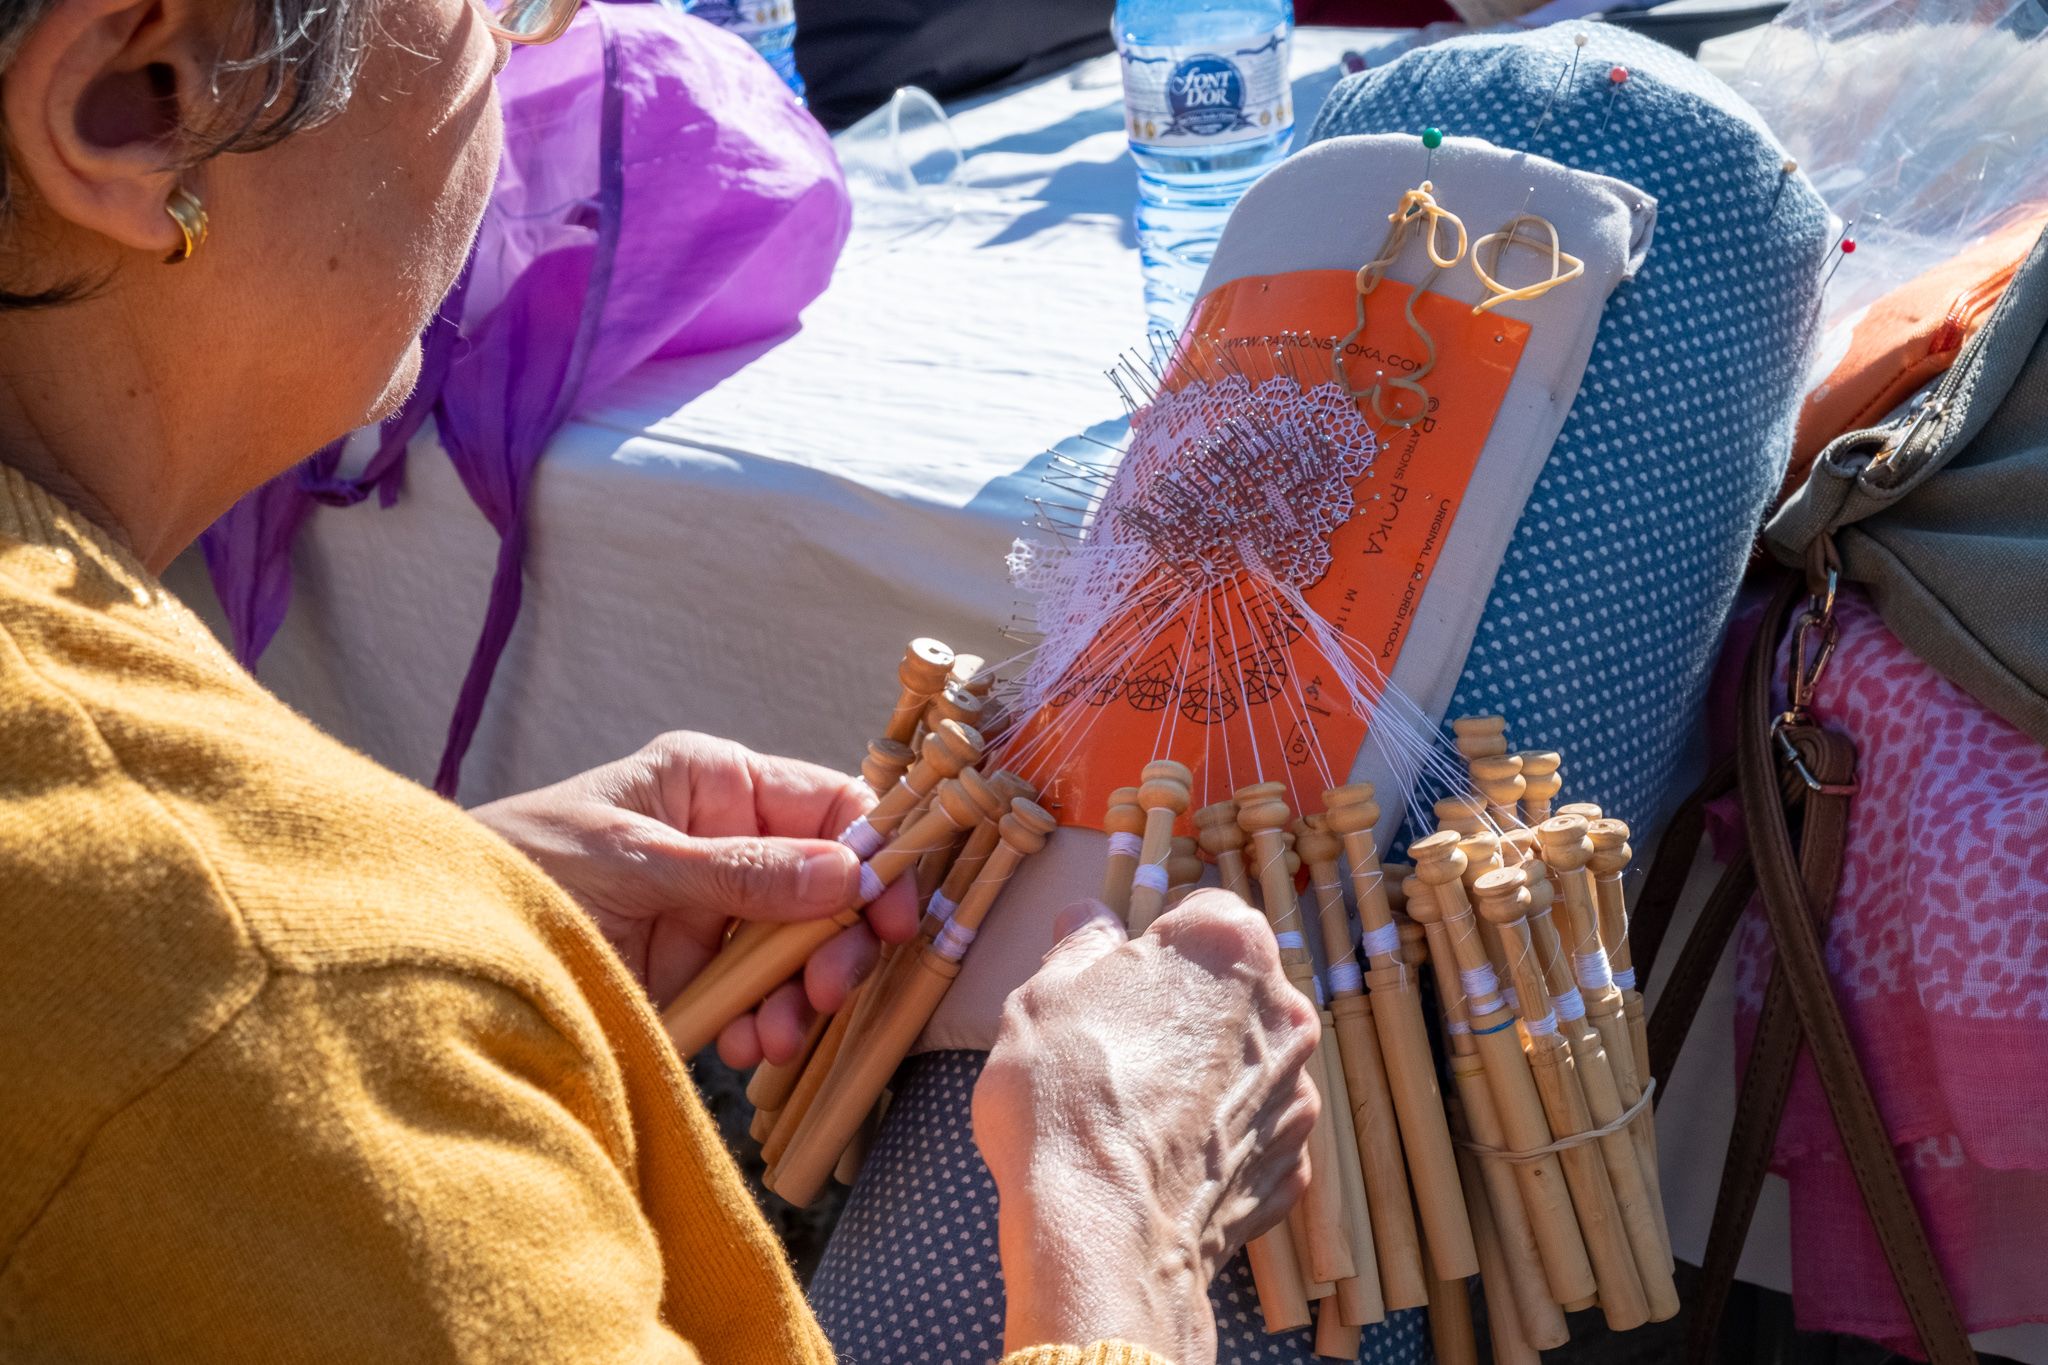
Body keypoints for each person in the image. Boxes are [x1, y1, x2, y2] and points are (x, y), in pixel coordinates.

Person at [0, 0, 1320, 1361]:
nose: (534, 42)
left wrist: (453, 887)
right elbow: (206, 1008)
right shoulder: (299, 1006)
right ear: (138, 103)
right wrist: (1120, 1222)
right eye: (493, 3)